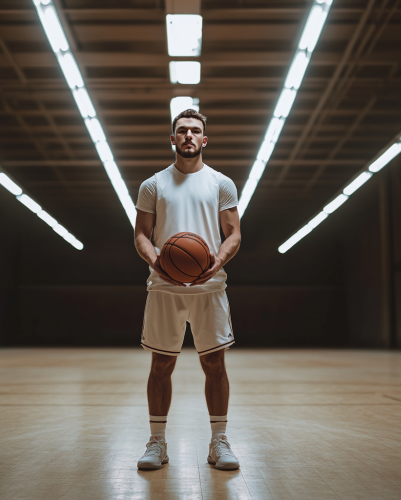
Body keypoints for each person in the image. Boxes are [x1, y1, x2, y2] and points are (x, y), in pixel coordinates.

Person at [134, 109, 241, 471]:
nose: (189, 136)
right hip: (164, 288)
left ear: (204, 139)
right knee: (161, 365)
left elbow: (234, 235)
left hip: (209, 288)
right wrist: (158, 262)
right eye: (182, 131)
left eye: (196, 131)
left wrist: (217, 262)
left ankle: (219, 441)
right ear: (173, 138)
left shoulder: (221, 183)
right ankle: (157, 443)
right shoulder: (153, 184)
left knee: (215, 364)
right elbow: (140, 236)